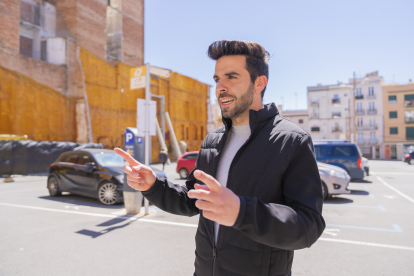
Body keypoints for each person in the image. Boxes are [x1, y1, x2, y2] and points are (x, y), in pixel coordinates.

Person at [115, 40, 325, 276]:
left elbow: (308, 225)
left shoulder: (292, 141)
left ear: (259, 83)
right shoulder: (212, 141)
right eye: (217, 79)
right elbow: (192, 200)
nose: (220, 87)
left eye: (231, 77)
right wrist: (154, 185)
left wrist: (242, 211)